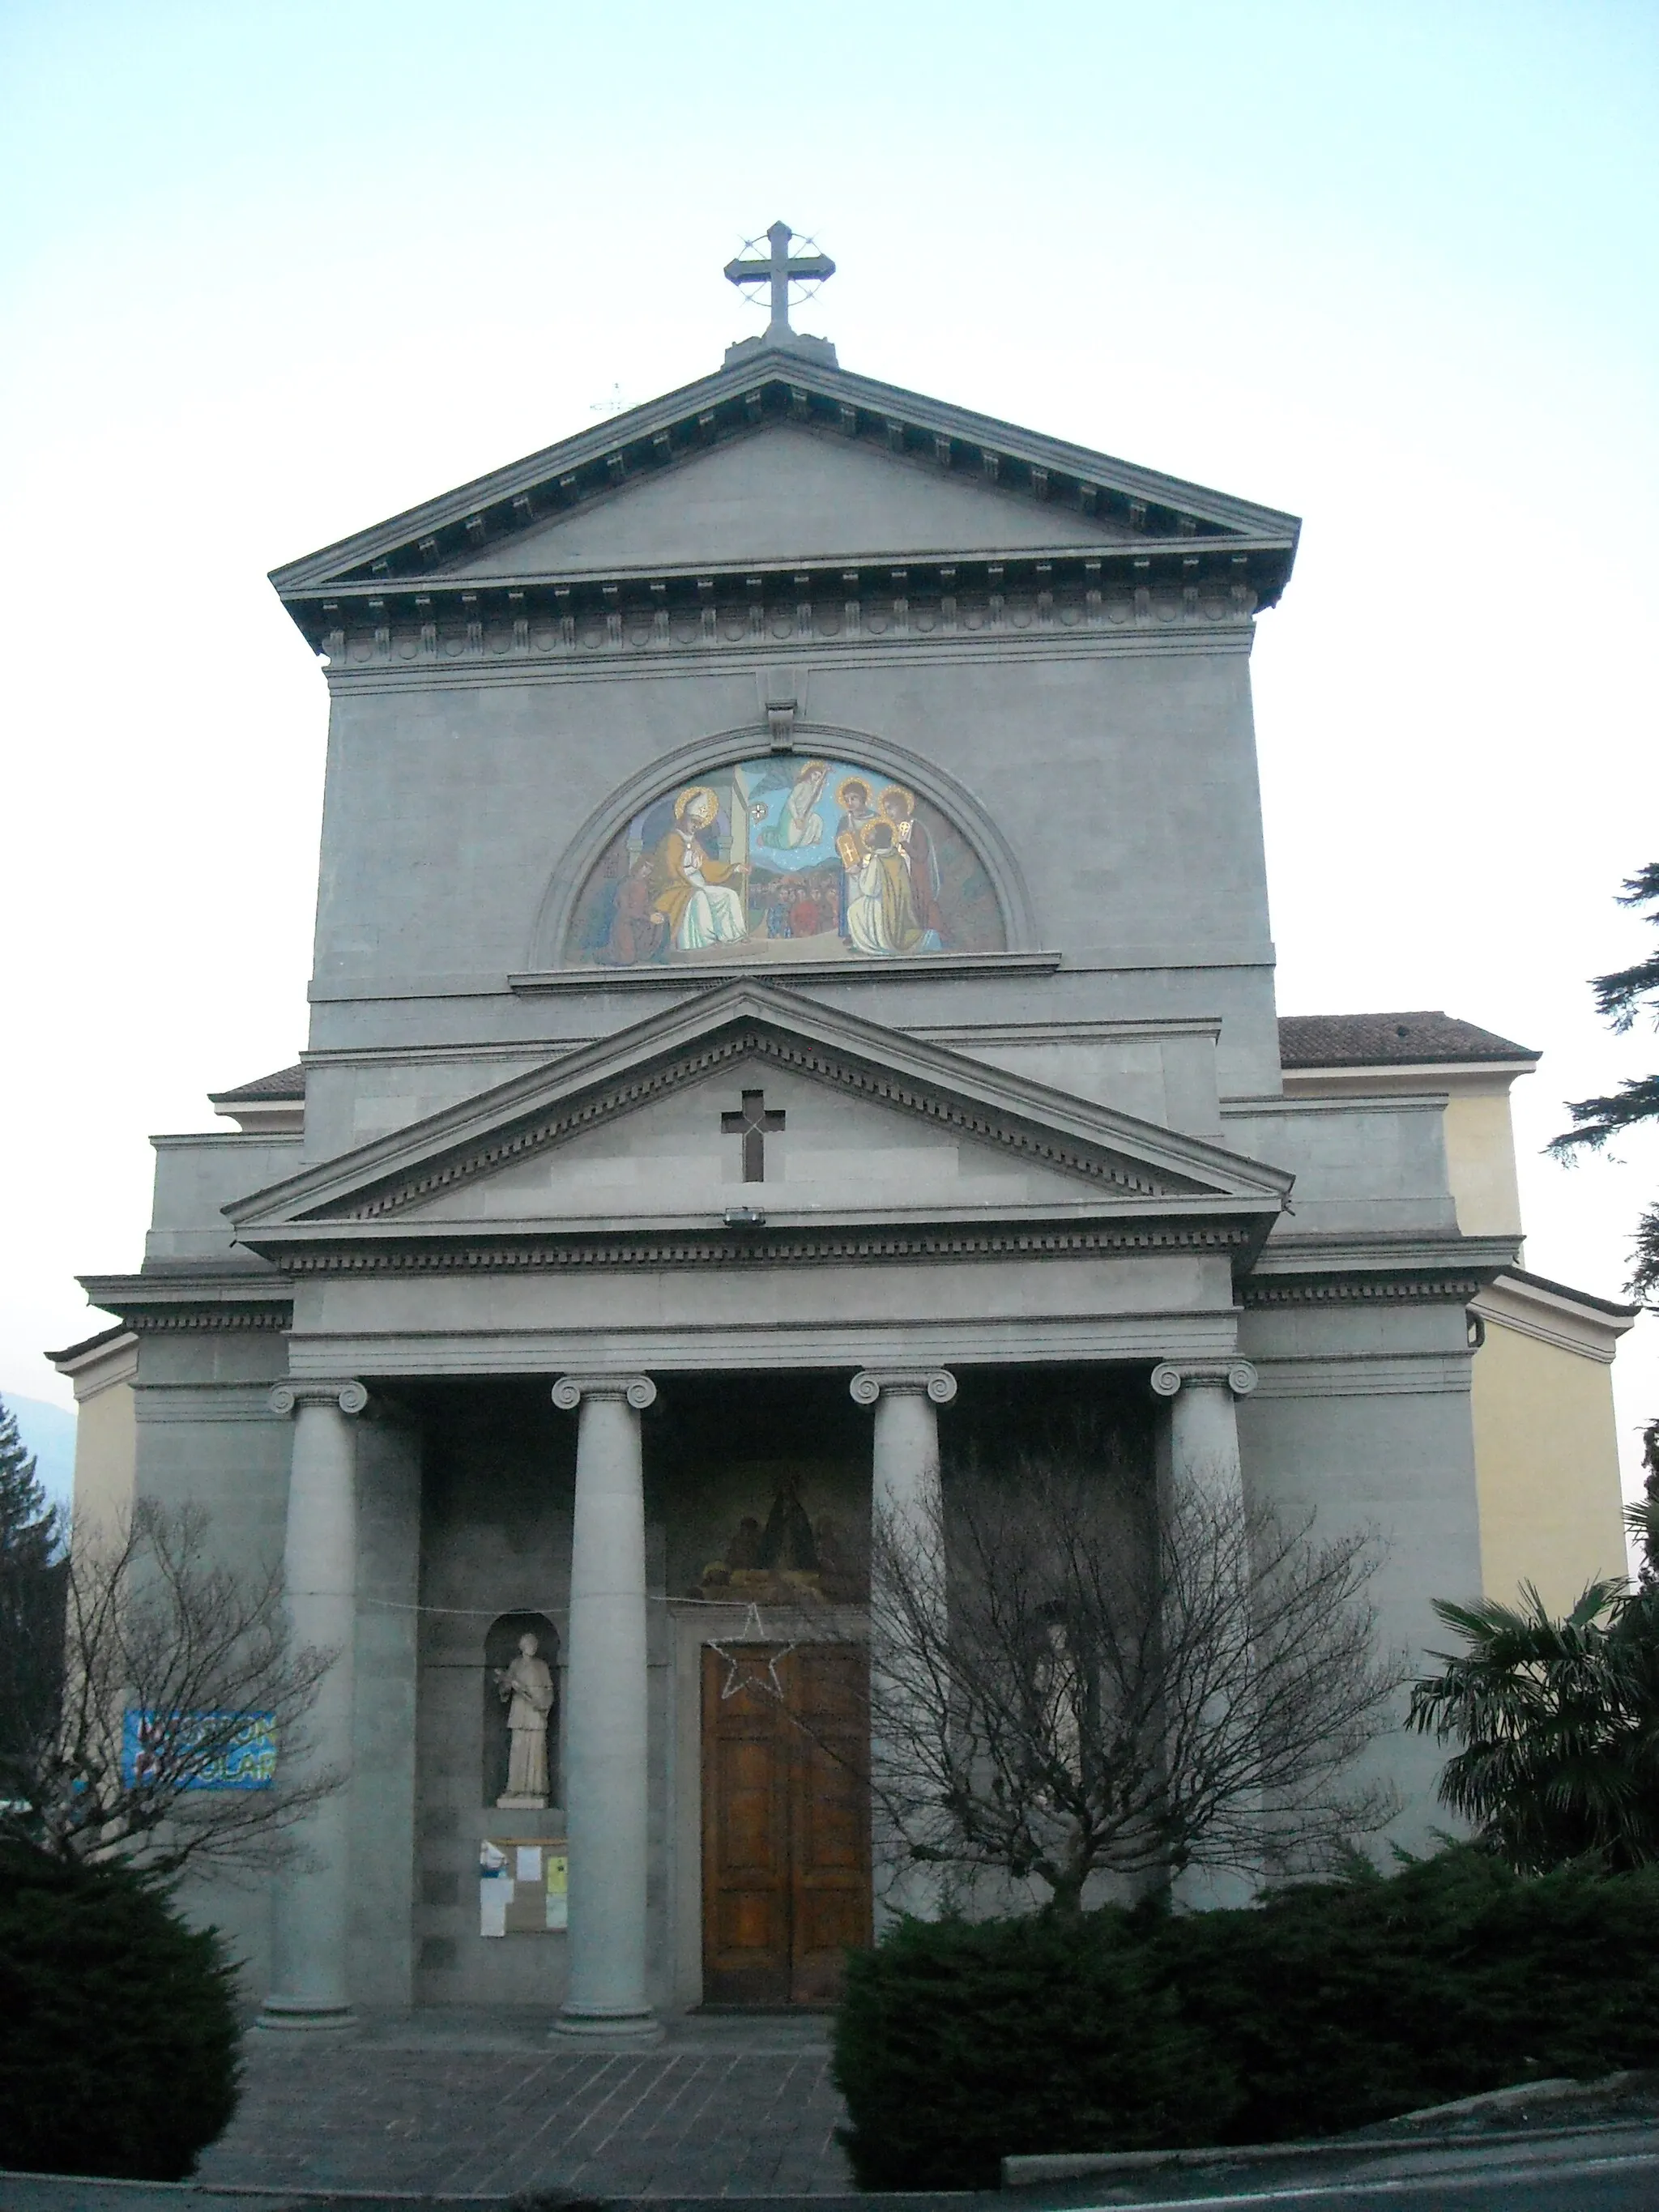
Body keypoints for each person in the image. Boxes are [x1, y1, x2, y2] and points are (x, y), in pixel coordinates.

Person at [649, 786, 748, 952]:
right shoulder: (671, 840)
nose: (695, 826)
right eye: (693, 821)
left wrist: (735, 868)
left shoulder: (694, 843)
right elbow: (670, 872)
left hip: (696, 885)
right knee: (699, 897)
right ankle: (705, 941)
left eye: (699, 823)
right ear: (683, 818)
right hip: (675, 888)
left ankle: (734, 936)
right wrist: (689, 869)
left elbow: (707, 866)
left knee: (727, 895)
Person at [846, 821, 942, 957]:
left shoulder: (876, 861)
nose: (868, 835)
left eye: (872, 833)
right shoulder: (897, 858)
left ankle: (870, 944)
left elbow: (870, 890)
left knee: (853, 910)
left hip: (881, 907)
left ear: (878, 838)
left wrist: (857, 873)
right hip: (899, 909)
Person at [494, 1632, 556, 1806]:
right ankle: (516, 1787)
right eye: (529, 1643)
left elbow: (549, 1689)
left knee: (536, 1749)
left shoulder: (541, 1665)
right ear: (522, 1646)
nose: (533, 1646)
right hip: (520, 1710)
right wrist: (509, 1685)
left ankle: (535, 1789)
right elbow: (505, 1688)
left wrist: (543, 1703)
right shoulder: (516, 1664)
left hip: (536, 1710)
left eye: (534, 1643)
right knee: (518, 1748)